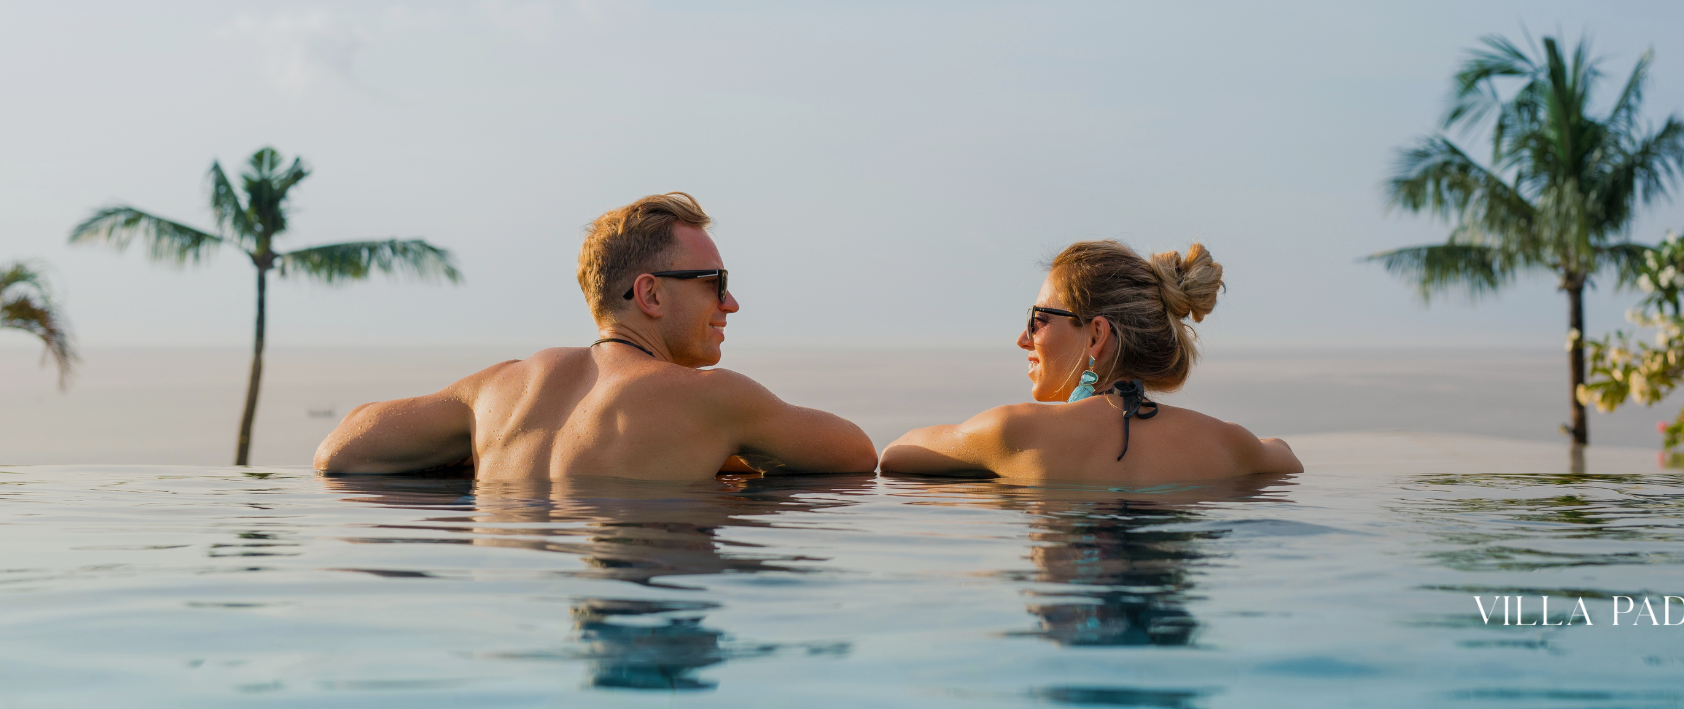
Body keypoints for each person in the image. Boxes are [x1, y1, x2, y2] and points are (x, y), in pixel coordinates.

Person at [314, 192, 877, 480]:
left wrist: (474, 450)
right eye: (714, 283)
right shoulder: (712, 398)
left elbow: (338, 452)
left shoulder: (497, 389)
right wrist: (728, 452)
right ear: (651, 294)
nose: (730, 302)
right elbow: (859, 455)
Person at [880, 240, 1302, 483]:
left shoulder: (1013, 433)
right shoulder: (1227, 445)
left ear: (1097, 334)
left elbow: (895, 454)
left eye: (1039, 319)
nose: (1023, 338)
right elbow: (1285, 457)